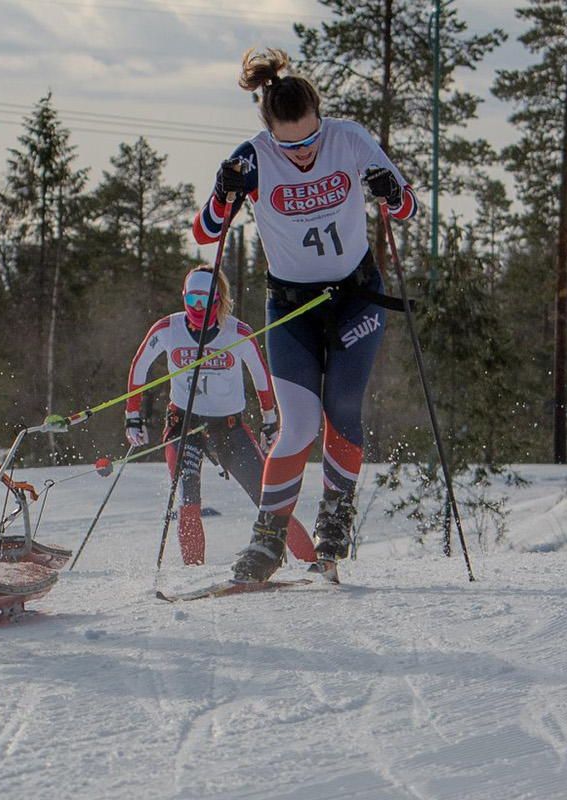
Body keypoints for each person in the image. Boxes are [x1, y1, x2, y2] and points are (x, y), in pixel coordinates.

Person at [192, 47, 416, 582]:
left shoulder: (349, 138)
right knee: (296, 427)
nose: (302, 153)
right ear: (269, 130)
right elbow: (205, 233)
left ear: (321, 119)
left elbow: (407, 206)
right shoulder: (252, 157)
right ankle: (266, 543)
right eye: (288, 145)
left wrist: (390, 191)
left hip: (354, 299)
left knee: (341, 408)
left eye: (311, 140)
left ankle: (334, 523)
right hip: (291, 306)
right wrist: (225, 194)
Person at [125, 265, 313, 566]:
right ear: (184, 297)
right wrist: (132, 414)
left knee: (270, 499)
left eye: (206, 301)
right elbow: (140, 365)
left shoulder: (237, 332)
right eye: (192, 300)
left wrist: (270, 420)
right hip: (183, 426)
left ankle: (312, 563)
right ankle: (194, 572)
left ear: (219, 300)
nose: (197, 309)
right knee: (188, 499)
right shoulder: (167, 329)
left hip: (229, 428)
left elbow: (261, 376)